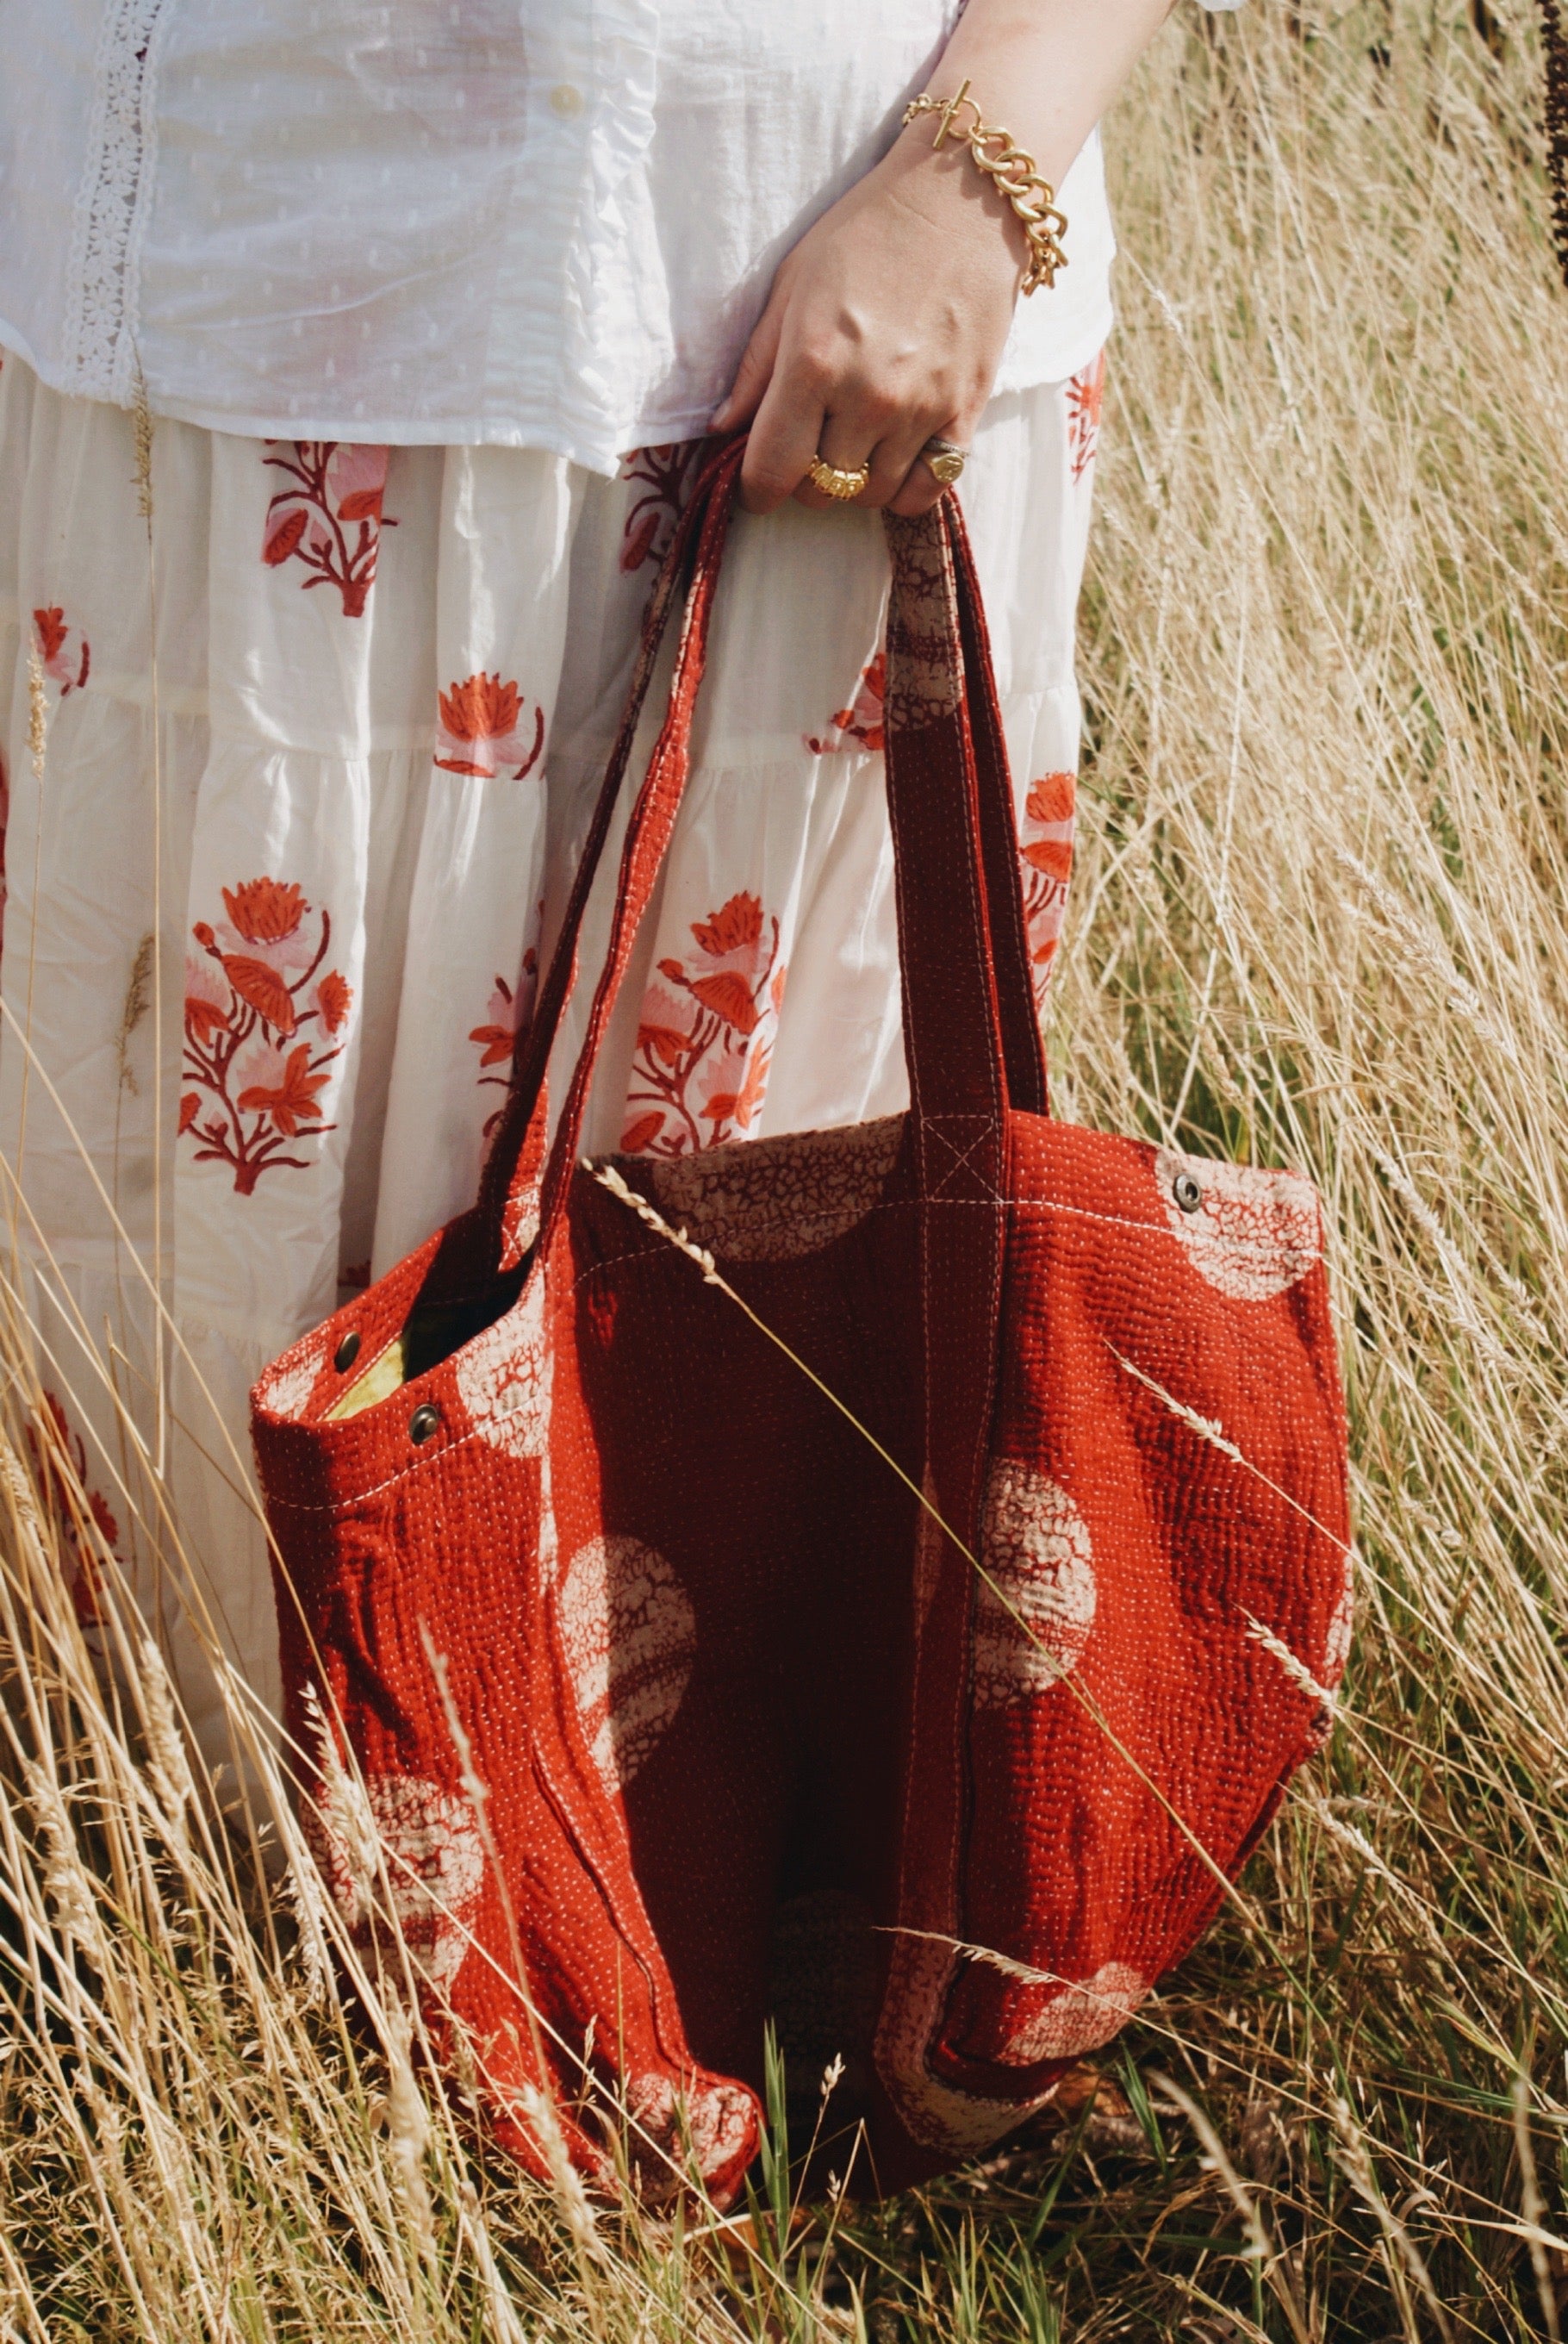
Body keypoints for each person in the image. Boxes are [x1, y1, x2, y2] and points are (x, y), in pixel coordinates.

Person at [0, 0, 1238, 1758]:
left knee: (725, 1264)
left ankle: (694, 1894)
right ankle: (203, 1908)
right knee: (160, 1245)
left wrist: (985, 163)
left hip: (787, 290)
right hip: (187, 276)